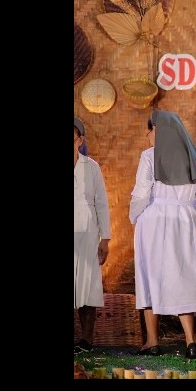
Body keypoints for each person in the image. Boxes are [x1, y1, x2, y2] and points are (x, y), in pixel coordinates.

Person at [129, 109, 196, 359]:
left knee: (149, 275)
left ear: (159, 130)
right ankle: (190, 341)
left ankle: (152, 342)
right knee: (183, 275)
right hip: (183, 222)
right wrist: (188, 216)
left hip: (153, 220)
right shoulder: (195, 158)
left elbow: (141, 193)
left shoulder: (149, 156)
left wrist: (136, 217)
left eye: (150, 130)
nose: (147, 136)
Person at [74, 116, 111, 354]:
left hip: (87, 233)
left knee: (87, 284)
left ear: (80, 140)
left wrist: (105, 238)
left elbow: (102, 204)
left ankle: (86, 339)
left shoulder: (91, 167)